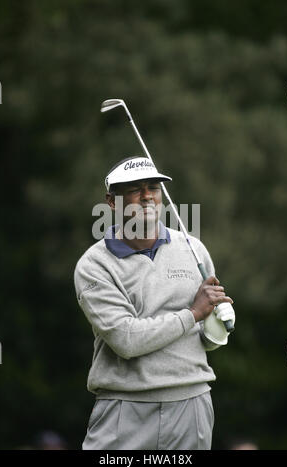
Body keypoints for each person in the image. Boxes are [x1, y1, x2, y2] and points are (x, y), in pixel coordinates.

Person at [74, 155, 235, 450]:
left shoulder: (193, 248)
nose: (147, 196)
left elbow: (203, 340)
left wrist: (218, 326)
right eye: (135, 189)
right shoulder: (94, 265)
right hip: (125, 407)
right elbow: (126, 340)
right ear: (112, 201)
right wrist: (193, 313)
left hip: (192, 403)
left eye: (154, 187)